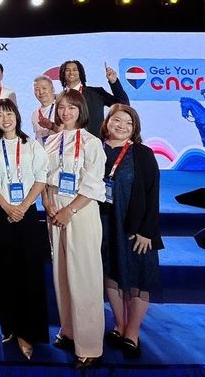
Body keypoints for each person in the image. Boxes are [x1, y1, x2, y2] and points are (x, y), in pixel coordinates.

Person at [44, 90, 107, 370]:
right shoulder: (51, 140)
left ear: (81, 110)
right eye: (61, 107)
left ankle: (90, 345)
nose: (65, 112)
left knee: (84, 275)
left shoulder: (92, 143)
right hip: (54, 209)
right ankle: (69, 330)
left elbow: (93, 185)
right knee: (62, 272)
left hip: (79, 210)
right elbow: (44, 176)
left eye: (71, 108)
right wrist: (48, 203)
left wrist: (68, 211)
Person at [0, 98, 50, 359]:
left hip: (27, 213)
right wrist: (7, 207)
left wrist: (22, 207)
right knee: (5, 272)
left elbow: (41, 179)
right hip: (1, 214)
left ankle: (27, 332)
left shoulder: (31, 145)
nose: (5, 119)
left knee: (29, 272)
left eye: (9, 113)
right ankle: (9, 326)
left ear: (17, 116)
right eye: (0, 115)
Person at [99, 104, 162, 360]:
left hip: (135, 228)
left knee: (138, 277)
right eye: (117, 120)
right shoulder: (96, 149)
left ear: (135, 128)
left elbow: (152, 193)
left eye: (128, 123)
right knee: (111, 273)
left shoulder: (143, 153)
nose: (122, 126)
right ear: (107, 122)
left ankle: (132, 332)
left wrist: (147, 231)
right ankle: (120, 323)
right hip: (105, 224)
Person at [59, 60, 129, 136]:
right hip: (67, 140)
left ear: (80, 73)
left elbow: (124, 105)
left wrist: (114, 82)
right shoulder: (58, 98)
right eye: (67, 70)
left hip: (95, 140)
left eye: (75, 70)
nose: (71, 72)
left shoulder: (96, 93)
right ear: (63, 74)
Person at [31, 75, 57, 145]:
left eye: (44, 88)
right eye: (36, 89)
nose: (41, 92)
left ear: (53, 89)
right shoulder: (35, 114)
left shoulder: (61, 108)